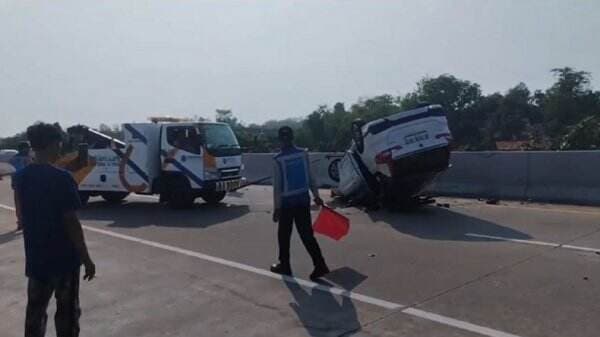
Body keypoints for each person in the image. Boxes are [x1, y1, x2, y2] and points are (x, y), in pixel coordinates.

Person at [12, 123, 96, 337]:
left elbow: (21, 211)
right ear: (52, 144)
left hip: (36, 258)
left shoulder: (21, 178)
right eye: (59, 143)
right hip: (64, 260)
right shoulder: (62, 179)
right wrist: (86, 258)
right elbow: (72, 223)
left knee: (35, 313)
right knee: (67, 313)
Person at [271, 126, 330, 281]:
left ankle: (285, 265)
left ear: (280, 140)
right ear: (292, 138)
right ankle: (320, 264)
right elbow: (311, 177)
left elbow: (277, 186)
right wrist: (316, 196)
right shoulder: (303, 154)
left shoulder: (278, 159)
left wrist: (277, 208)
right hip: (303, 201)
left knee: (283, 235)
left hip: (286, 204)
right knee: (307, 235)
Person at [10, 141, 32, 231]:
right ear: (24, 148)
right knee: (29, 203)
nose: (29, 149)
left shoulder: (13, 159)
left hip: (17, 183)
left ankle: (20, 222)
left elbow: (12, 172)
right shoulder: (27, 158)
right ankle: (27, 221)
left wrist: (12, 182)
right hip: (27, 183)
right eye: (28, 147)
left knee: (18, 203)